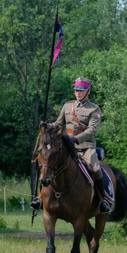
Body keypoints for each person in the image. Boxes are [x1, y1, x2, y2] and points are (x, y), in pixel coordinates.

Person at [30, 77, 110, 214]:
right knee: (48, 163)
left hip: (85, 146)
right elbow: (58, 124)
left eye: (81, 91)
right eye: (76, 90)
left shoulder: (94, 109)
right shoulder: (68, 106)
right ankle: (39, 198)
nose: (78, 93)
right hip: (67, 146)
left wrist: (76, 139)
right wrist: (47, 126)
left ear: (88, 92)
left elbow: (92, 130)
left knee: (96, 169)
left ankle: (102, 200)